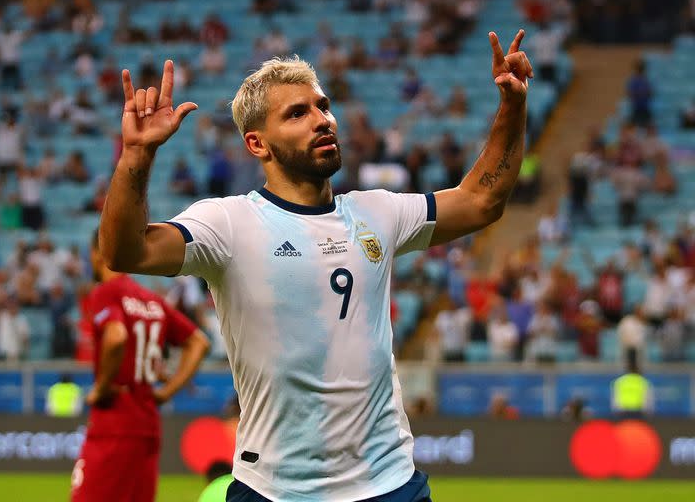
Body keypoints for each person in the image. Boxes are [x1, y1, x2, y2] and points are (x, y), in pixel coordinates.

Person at [99, 29, 532, 501]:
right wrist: (137, 158)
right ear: (257, 144)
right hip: (274, 489)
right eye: (297, 113)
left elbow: (482, 200)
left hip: (389, 484)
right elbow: (126, 252)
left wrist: (512, 106)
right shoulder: (228, 224)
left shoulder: (377, 212)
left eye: (323, 107)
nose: (322, 120)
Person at [70, 231, 210, 502]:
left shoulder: (106, 293)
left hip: (113, 425)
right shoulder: (151, 301)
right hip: (147, 427)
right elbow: (199, 342)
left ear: (98, 254)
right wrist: (166, 392)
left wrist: (101, 387)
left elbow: (116, 337)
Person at [611, 351, 653, 420]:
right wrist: (648, 413)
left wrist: (616, 411)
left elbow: (615, 400)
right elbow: (648, 400)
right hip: (638, 412)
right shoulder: (643, 381)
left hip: (623, 412)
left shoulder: (620, 381)